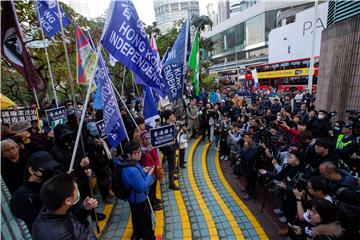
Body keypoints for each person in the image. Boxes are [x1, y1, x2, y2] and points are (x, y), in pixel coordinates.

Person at [32, 173, 98, 240]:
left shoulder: (51, 212)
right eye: (77, 190)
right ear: (68, 201)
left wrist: (85, 209)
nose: (78, 192)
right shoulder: (63, 236)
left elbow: (72, 222)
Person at [10, 151, 60, 230]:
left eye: (51, 167)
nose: (50, 171)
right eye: (45, 169)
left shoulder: (51, 181)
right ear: (32, 170)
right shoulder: (21, 197)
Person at [119, 141, 155, 240]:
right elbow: (142, 187)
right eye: (135, 153)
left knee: (137, 220)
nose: (139, 154)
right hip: (139, 200)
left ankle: (137, 235)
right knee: (145, 223)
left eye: (139, 151)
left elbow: (137, 176)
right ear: (128, 155)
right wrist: (149, 174)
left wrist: (143, 170)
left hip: (133, 199)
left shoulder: (129, 162)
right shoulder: (131, 169)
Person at [140, 131, 163, 211]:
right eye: (145, 138)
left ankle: (155, 199)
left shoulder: (153, 145)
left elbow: (156, 157)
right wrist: (147, 149)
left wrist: (157, 165)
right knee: (149, 189)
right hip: (148, 173)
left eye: (149, 138)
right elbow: (142, 152)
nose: (148, 140)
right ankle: (153, 205)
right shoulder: (140, 150)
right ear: (142, 140)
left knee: (154, 187)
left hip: (155, 170)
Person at [159, 110, 179, 190]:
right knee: (172, 165)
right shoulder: (165, 126)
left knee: (172, 164)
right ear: (169, 116)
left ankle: (172, 177)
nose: (174, 116)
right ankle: (171, 184)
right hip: (169, 149)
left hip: (172, 147)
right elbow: (165, 139)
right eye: (172, 115)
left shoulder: (171, 124)